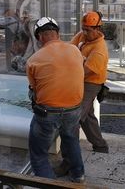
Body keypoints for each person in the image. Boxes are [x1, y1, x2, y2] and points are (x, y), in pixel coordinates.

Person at [26, 17, 85, 183]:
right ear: (57, 34)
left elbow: (34, 91)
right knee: (71, 140)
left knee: (38, 155)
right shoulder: (75, 50)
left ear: (39, 37)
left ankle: (50, 185)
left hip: (47, 113)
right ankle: (78, 176)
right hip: (74, 109)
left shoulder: (34, 60)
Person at [55, 11, 110, 177]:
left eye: (88, 30)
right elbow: (69, 51)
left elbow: (82, 72)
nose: (84, 33)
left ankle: (68, 162)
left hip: (91, 83)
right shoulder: (82, 36)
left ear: (98, 28)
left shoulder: (99, 50)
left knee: (72, 120)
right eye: (83, 29)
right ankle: (100, 146)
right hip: (80, 77)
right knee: (88, 116)